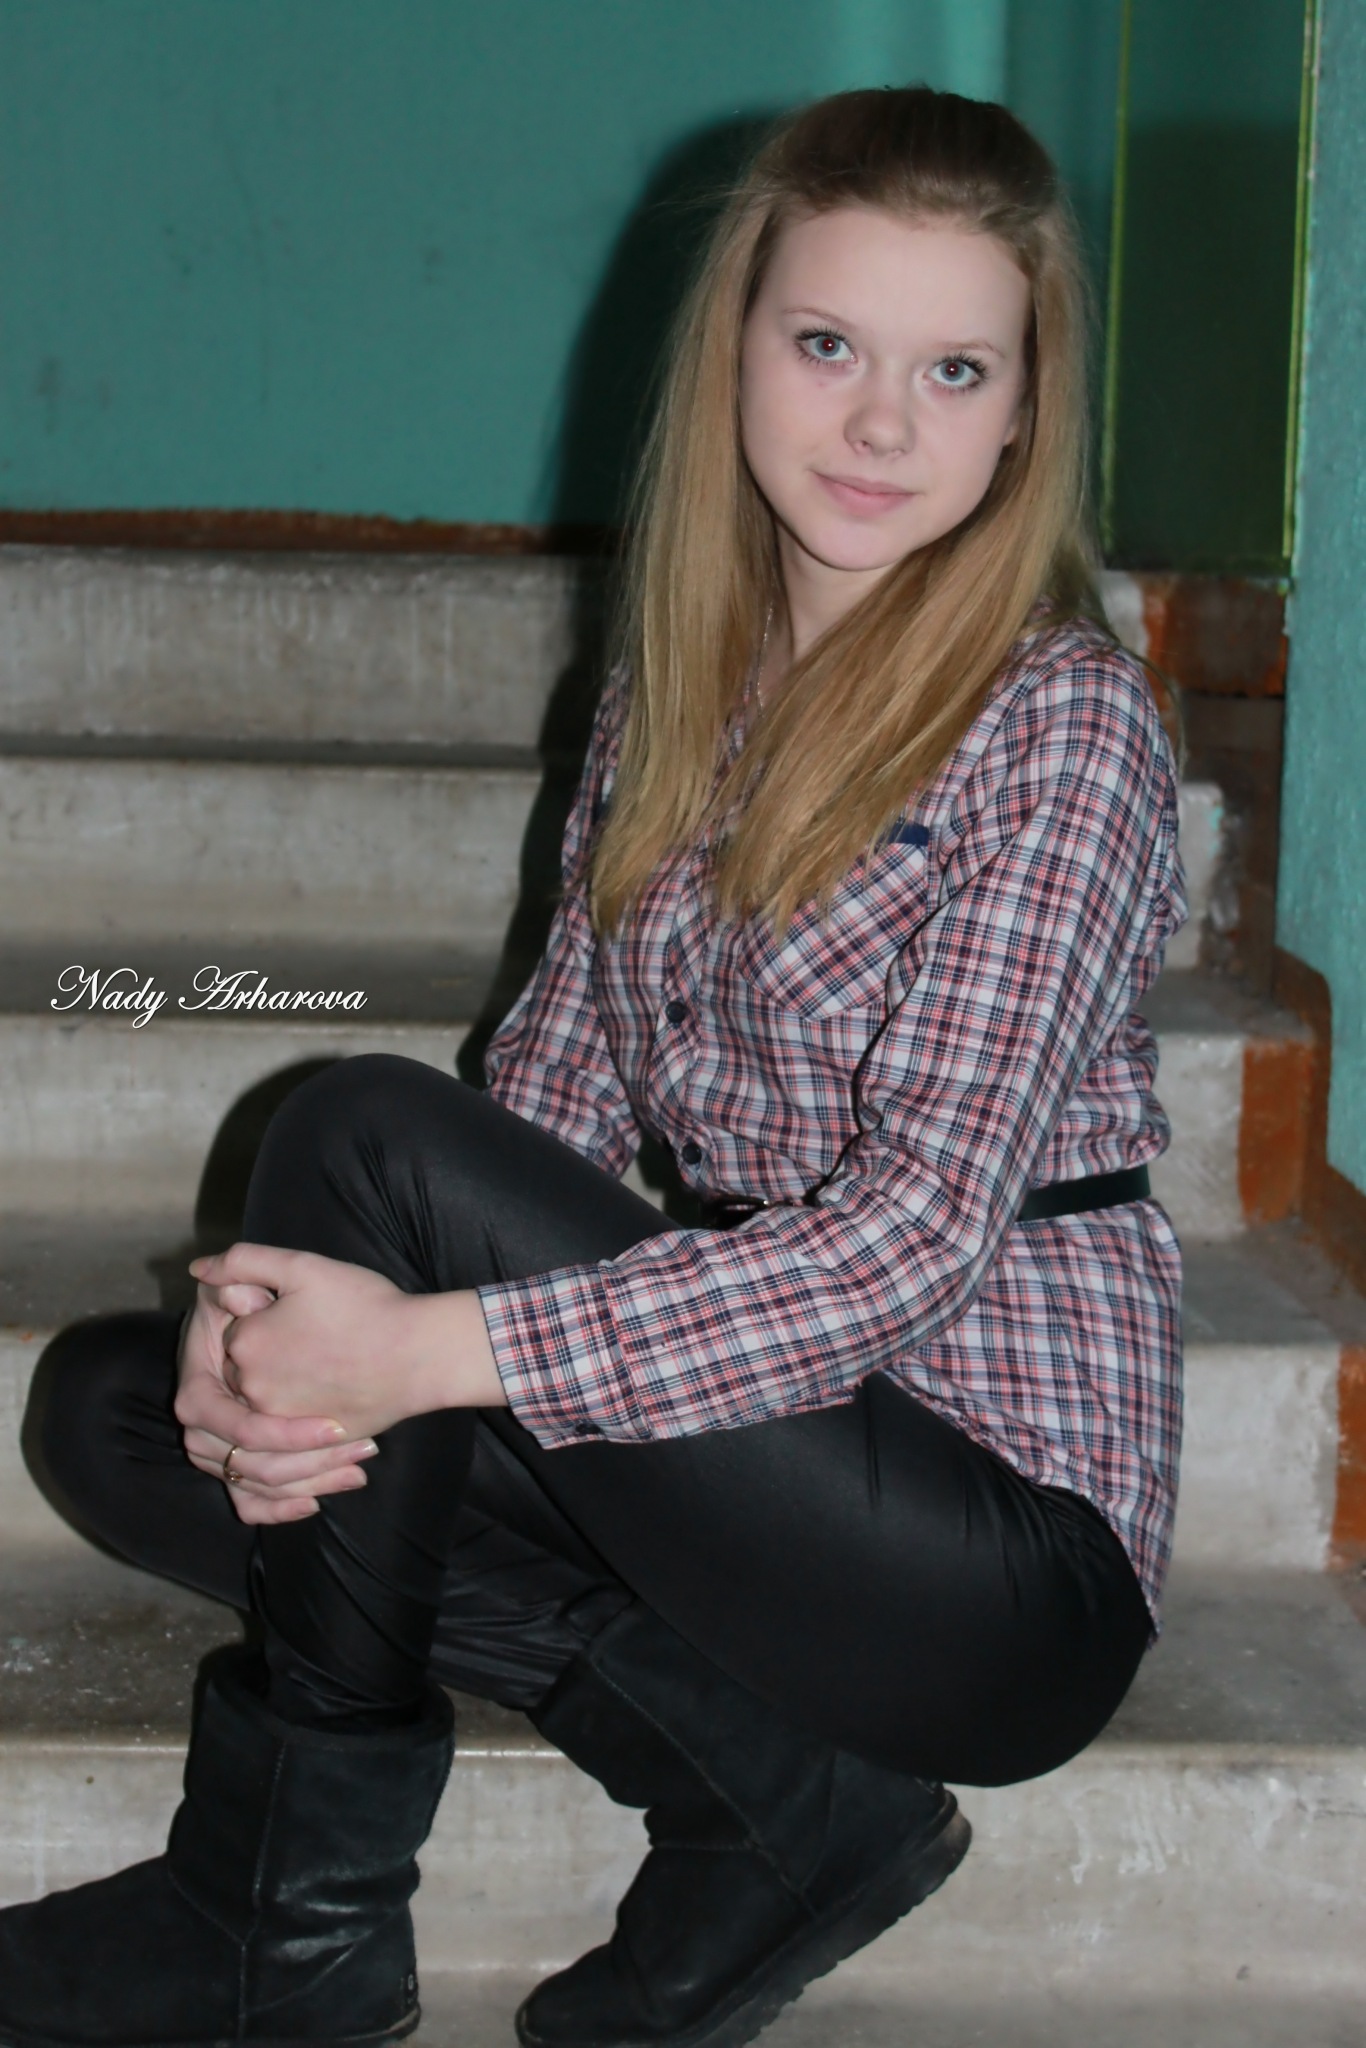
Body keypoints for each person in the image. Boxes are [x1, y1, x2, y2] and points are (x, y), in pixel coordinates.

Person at [0, 83, 1183, 2048]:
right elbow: (542, 1097)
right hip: (738, 1456)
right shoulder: (670, 692)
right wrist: (306, 1341)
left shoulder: (1059, 726)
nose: (880, 425)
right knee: (131, 1409)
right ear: (736, 349)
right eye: (828, 345)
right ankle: (779, 1806)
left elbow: (902, 1245)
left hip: (983, 1561)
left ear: (1019, 414)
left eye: (952, 369)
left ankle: (276, 1919)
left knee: (355, 1131)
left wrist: (430, 1348)